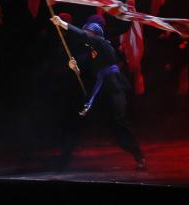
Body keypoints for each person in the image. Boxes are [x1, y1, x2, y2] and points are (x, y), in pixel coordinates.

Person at [49, 15, 146, 170]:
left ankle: (138, 155)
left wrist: (63, 23)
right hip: (100, 93)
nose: (85, 35)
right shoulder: (92, 52)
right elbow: (86, 71)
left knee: (118, 125)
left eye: (88, 32)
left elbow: (82, 35)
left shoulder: (103, 44)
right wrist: (75, 68)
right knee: (77, 120)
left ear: (95, 33)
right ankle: (64, 158)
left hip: (113, 90)